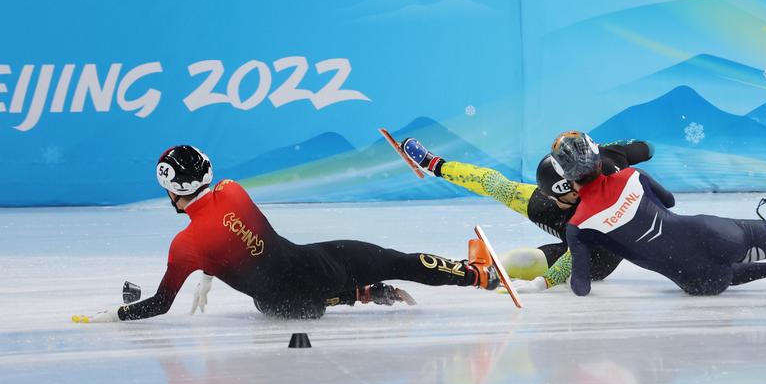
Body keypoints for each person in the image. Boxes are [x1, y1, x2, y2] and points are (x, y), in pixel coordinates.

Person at [72, 145, 498, 323]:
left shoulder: (184, 248)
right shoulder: (232, 189)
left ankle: (360, 294)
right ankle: (478, 276)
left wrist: (116, 314)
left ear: (169, 189)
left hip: (294, 303)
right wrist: (208, 269)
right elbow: (227, 229)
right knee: (396, 259)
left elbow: (161, 307)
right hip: (323, 263)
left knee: (267, 299)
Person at [551, 131, 766, 296]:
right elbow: (670, 202)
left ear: (567, 179)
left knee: (714, 277)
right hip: (715, 231)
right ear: (599, 158)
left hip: (697, 275)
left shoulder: (579, 226)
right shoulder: (632, 175)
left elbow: (581, 286)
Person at [397, 136, 652, 290]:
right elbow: (646, 148)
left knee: (521, 260)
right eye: (550, 195)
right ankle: (435, 165)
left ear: (574, 191)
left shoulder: (596, 207)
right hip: (580, 213)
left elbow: (572, 257)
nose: (551, 201)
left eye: (557, 197)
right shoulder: (601, 159)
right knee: (498, 186)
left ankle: (480, 273)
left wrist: (545, 282)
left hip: (596, 253)